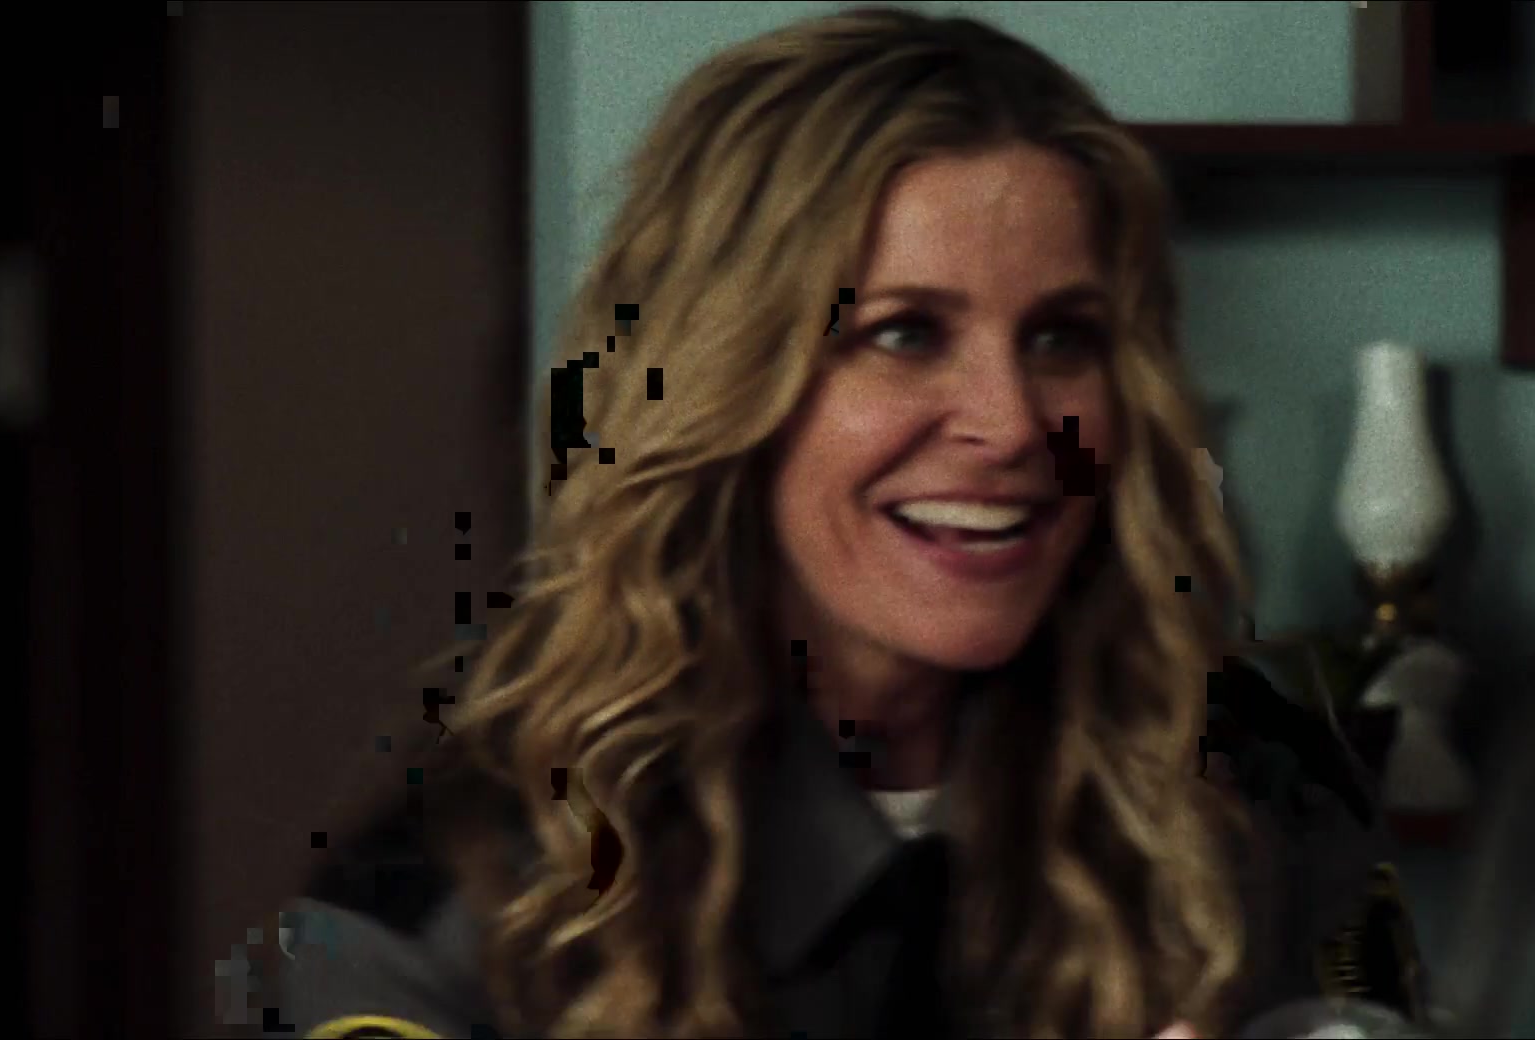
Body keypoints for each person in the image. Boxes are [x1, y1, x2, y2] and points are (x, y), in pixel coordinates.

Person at [270, 7, 1428, 1038]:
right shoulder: (456, 888)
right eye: (903, 332)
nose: (1011, 422)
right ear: (721, 378)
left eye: (1062, 336)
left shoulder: (1257, 800)